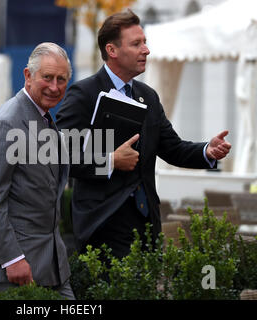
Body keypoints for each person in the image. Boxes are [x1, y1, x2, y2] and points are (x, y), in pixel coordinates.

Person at [56, 10, 232, 259]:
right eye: (136, 43)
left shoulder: (148, 96)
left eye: (145, 42)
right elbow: (61, 154)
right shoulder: (84, 94)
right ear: (112, 50)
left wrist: (207, 150)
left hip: (147, 223)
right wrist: (111, 161)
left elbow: (173, 148)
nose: (146, 50)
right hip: (103, 225)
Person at [0, 42, 75, 300]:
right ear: (28, 76)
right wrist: (12, 259)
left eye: (61, 79)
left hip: (49, 265)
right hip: (11, 270)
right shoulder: (5, 124)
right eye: (47, 77)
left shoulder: (45, 117)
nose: (54, 86)